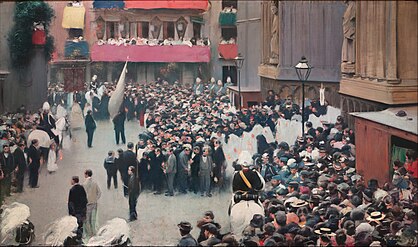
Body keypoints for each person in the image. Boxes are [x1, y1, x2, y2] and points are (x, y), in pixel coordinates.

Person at [83, 169, 101, 239]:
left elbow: (83, 195)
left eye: (85, 174)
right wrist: (95, 199)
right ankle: (94, 232)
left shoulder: (84, 184)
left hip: (88, 204)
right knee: (93, 219)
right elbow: (99, 192)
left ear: (87, 174)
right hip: (94, 203)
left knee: (87, 219)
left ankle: (90, 233)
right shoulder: (95, 183)